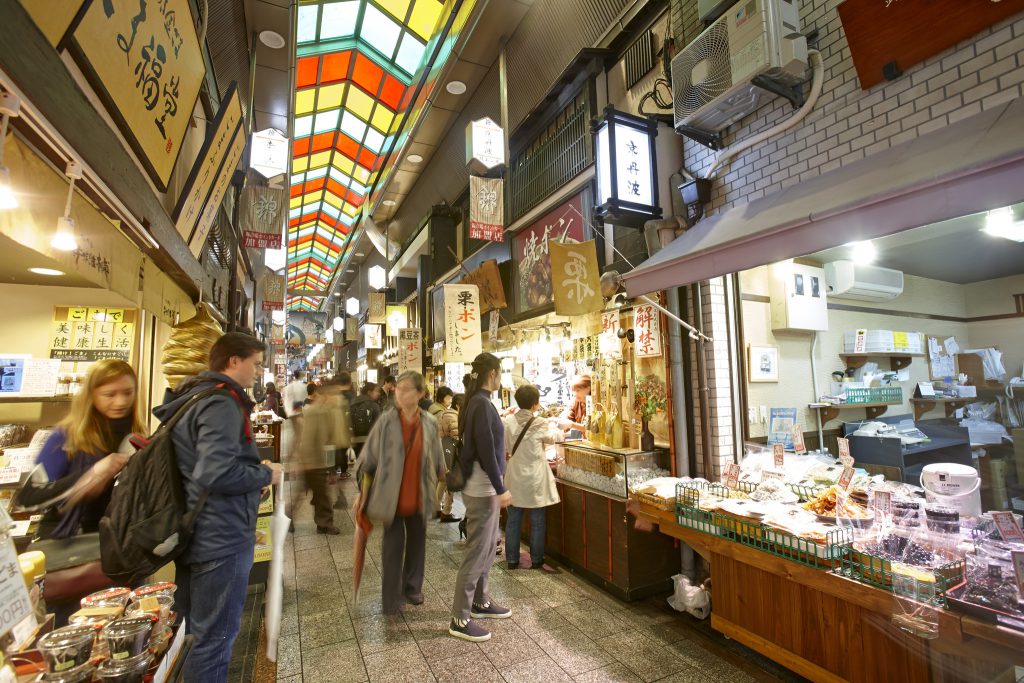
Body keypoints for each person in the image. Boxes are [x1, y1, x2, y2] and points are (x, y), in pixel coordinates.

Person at [153, 332, 283, 683]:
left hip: (196, 532)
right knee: (216, 638)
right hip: (219, 537)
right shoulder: (221, 402)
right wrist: (264, 473)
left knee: (196, 633)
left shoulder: (192, 397)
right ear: (233, 361)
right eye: (255, 364)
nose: (259, 371)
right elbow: (217, 472)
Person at [20, 359, 145, 541]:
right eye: (109, 395)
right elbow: (28, 498)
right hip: (67, 543)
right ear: (91, 396)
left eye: (128, 393)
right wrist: (90, 475)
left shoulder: (136, 437)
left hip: (116, 545)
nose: (121, 402)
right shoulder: (66, 437)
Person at [354, 372, 444, 615]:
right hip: (390, 495)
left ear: (420, 394)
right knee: (392, 548)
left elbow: (437, 456)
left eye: (406, 389)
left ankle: (413, 588)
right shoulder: (386, 421)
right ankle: (390, 597)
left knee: (417, 544)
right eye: (398, 389)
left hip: (419, 492)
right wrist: (361, 492)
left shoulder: (430, 422)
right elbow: (368, 458)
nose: (399, 393)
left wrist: (445, 476)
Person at [448, 353, 512, 643]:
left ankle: (481, 601)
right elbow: (487, 450)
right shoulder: (482, 404)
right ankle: (460, 618)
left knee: (487, 548)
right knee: (477, 552)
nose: (501, 378)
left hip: (484, 487)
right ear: (492, 374)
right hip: (483, 488)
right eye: (500, 373)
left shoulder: (477, 402)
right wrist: (500, 488)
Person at [503, 385, 562, 573]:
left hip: (515, 474)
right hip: (535, 476)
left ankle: (512, 560)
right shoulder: (540, 423)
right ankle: (536, 559)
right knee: (537, 520)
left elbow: (505, 446)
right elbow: (555, 438)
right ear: (535, 404)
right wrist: (558, 426)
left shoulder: (508, 421)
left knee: (513, 520)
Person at [294, 378, 344, 534]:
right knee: (320, 495)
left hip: (319, 460)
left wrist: (331, 467)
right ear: (326, 396)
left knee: (316, 494)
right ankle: (324, 523)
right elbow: (307, 438)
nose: (338, 398)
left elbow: (329, 441)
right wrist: (307, 462)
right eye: (335, 394)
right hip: (313, 461)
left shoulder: (327, 412)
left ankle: (321, 523)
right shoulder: (315, 412)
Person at [428, 387, 460, 524]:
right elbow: (455, 435)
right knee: (447, 480)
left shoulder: (435, 409)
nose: (450, 399)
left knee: (442, 479)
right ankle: (445, 511)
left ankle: (436, 508)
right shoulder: (446, 414)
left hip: (436, 448)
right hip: (447, 451)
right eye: (448, 397)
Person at [350, 382, 382, 459]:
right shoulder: (373, 406)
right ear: (369, 392)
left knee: (359, 462)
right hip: (370, 440)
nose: (378, 394)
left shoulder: (353, 403)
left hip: (355, 440)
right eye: (376, 391)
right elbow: (378, 424)